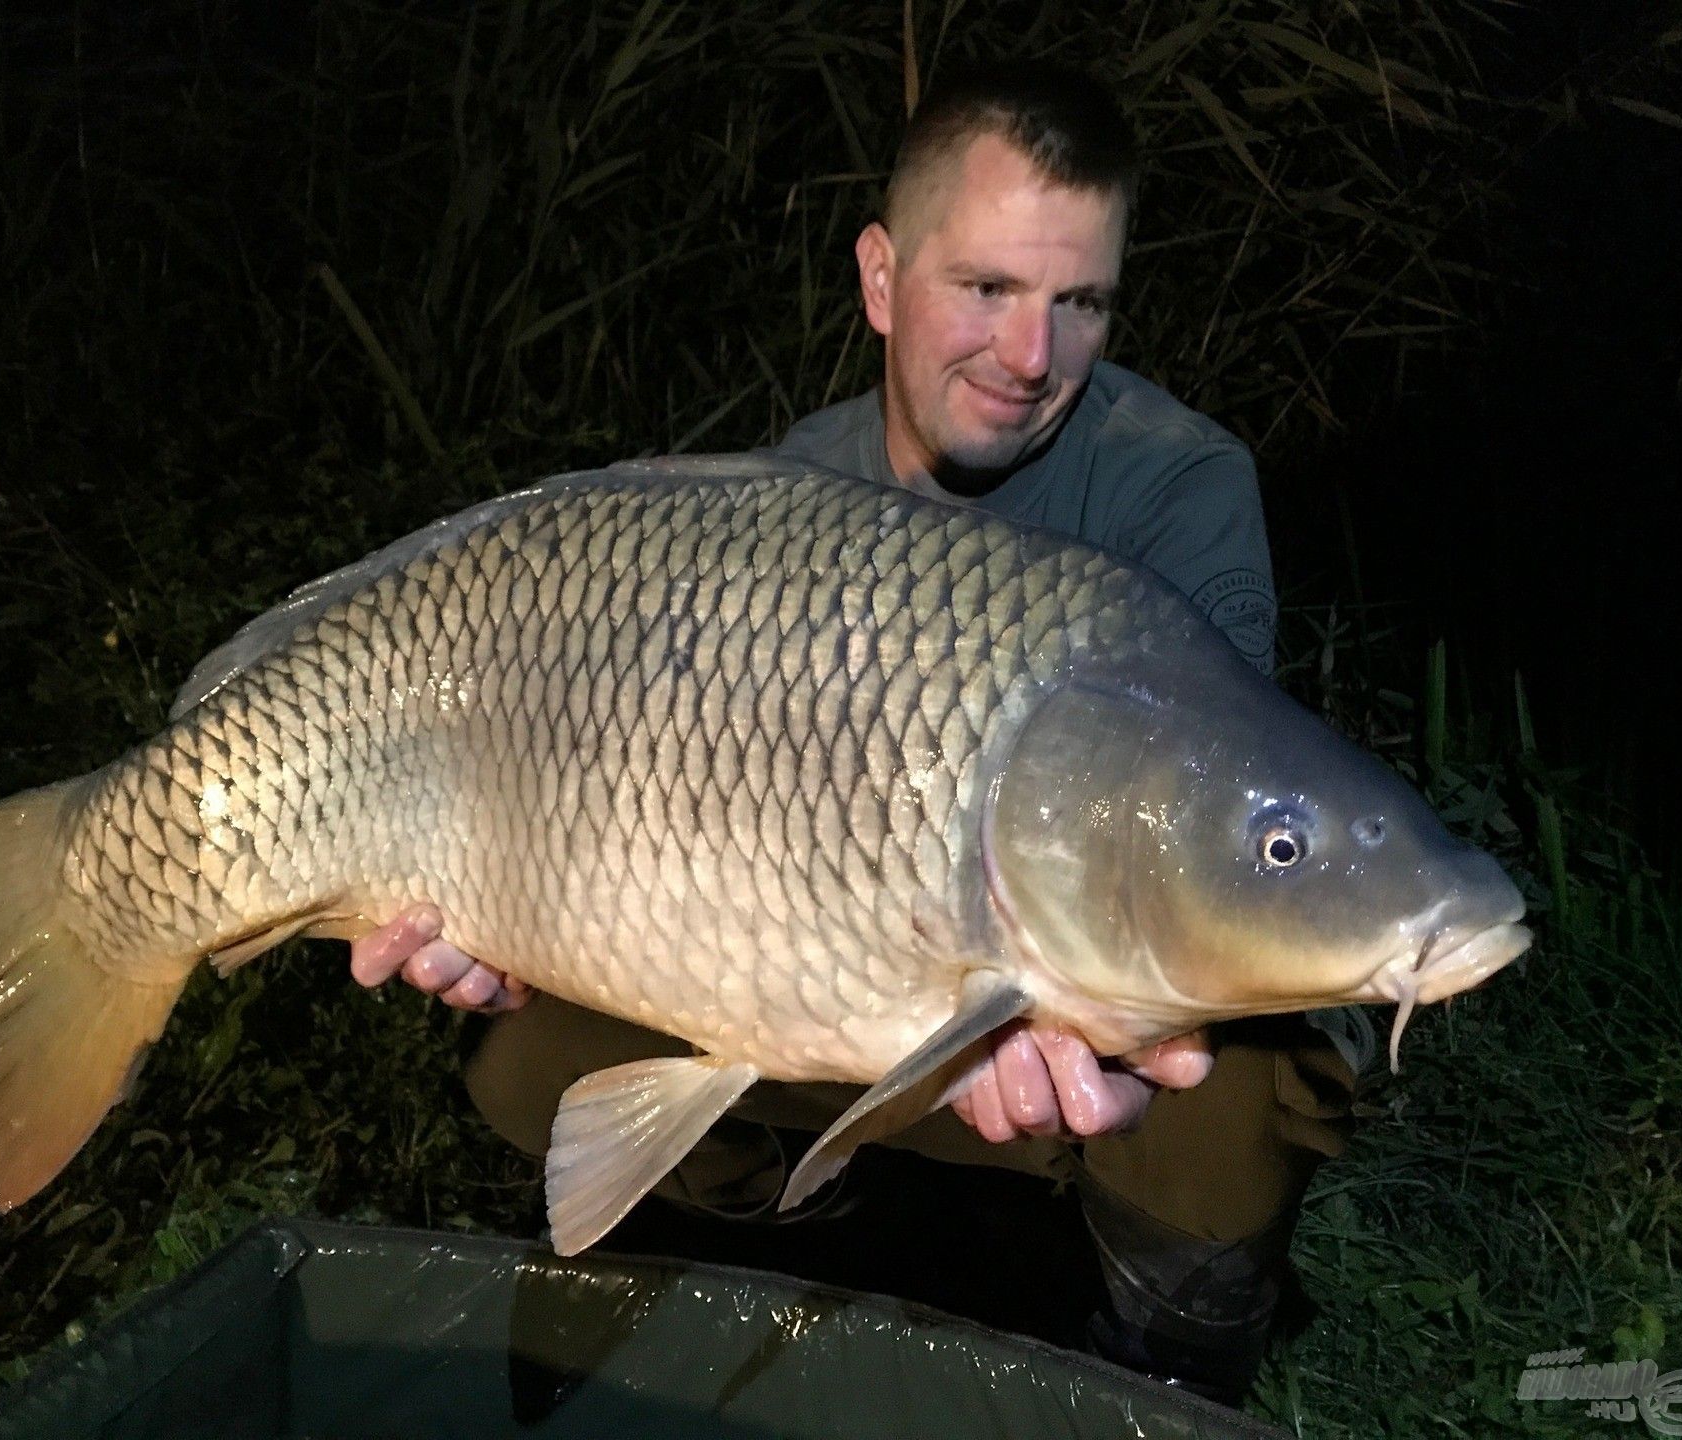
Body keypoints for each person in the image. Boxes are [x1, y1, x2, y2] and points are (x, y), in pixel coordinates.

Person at [348, 63, 1365, 1406]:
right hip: (837, 988)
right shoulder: (789, 496)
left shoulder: (1180, 485)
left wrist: (1051, 1018)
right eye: (988, 290)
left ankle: (1160, 1360)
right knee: (531, 1049)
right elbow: (660, 822)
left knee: (1265, 1047)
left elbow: (1200, 841)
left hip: (1066, 1021)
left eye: (1080, 304)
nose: (1030, 355)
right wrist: (491, 898)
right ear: (882, 279)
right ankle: (801, 1243)